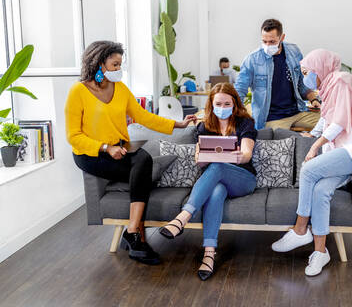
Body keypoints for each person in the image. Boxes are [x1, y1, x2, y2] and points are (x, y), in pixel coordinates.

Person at [65, 41, 197, 265]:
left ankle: (133, 231)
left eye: (120, 65)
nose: (118, 70)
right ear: (99, 64)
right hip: (91, 154)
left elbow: (144, 117)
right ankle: (135, 236)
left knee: (143, 160)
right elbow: (73, 136)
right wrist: (105, 147)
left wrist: (178, 125)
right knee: (143, 167)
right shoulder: (78, 91)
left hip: (119, 150)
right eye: (114, 65)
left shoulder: (121, 89)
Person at [271, 49, 352, 276]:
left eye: (307, 72)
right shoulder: (329, 87)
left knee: (308, 170)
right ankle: (320, 252)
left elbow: (340, 122)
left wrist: (315, 146)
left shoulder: (342, 81)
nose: (305, 78)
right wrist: (313, 135)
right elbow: (326, 117)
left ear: (319, 68)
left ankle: (300, 229)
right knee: (321, 191)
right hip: (343, 150)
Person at [159, 82, 257, 281]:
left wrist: (236, 156)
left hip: (243, 178)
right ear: (211, 105)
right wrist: (202, 157)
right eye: (218, 103)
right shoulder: (204, 126)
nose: (222, 108)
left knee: (219, 165)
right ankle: (209, 253)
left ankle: (183, 217)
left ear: (234, 103)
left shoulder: (245, 123)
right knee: (217, 190)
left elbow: (247, 154)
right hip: (217, 179)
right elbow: (198, 158)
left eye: (226, 103)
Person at [235, 18, 321, 130]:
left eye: (272, 42)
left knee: (329, 124)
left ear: (282, 37)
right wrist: (235, 114)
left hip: (298, 112)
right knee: (284, 142)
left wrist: (313, 99)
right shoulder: (252, 60)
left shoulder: (294, 51)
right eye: (264, 41)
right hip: (272, 118)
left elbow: (301, 82)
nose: (267, 45)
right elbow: (240, 89)